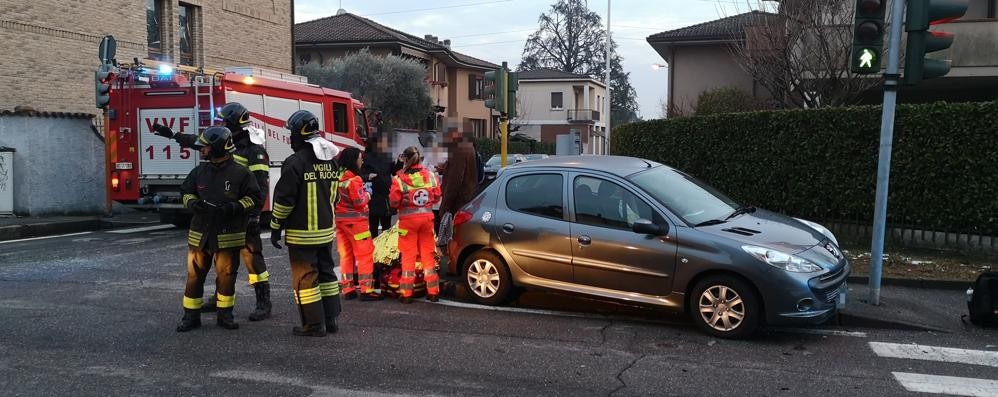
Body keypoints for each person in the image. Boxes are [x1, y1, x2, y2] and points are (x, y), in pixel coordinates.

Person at [153, 102, 272, 321]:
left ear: (234, 123)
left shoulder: (254, 151)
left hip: (242, 215)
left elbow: (261, 185)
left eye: (226, 120)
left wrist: (254, 214)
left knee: (252, 258)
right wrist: (172, 135)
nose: (222, 123)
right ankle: (220, 297)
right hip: (220, 218)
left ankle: (263, 301)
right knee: (222, 260)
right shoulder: (222, 142)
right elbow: (200, 142)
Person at [175, 126, 261, 332]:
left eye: (205, 147)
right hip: (200, 234)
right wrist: (192, 203)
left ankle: (225, 316)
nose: (202, 150)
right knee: (194, 276)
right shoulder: (199, 171)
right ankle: (190, 317)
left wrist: (234, 207)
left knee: (226, 276)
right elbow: (185, 192)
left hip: (228, 234)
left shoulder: (241, 173)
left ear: (217, 148)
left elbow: (254, 198)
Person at [269, 110, 342, 337]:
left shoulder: (295, 162)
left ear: (300, 134)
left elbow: (284, 200)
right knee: (327, 274)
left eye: (292, 133)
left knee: (305, 278)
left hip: (302, 234)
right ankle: (330, 320)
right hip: (325, 232)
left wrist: (275, 225)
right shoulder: (330, 162)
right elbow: (335, 197)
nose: (290, 138)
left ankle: (313, 325)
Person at [389, 146, 442, 304]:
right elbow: (437, 196)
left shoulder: (399, 179)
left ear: (405, 159)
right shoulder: (431, 176)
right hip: (426, 220)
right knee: (428, 256)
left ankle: (406, 293)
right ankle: (433, 291)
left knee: (408, 257)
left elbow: (393, 202)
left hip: (408, 223)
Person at [335, 147, 382, 301]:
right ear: (353, 160)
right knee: (365, 255)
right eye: (360, 158)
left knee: (346, 255)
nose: (362, 161)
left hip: (341, 222)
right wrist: (368, 193)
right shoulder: (354, 180)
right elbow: (359, 202)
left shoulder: (337, 177)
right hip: (356, 223)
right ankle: (366, 289)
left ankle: (347, 288)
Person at [435, 131, 479, 248]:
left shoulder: (458, 150)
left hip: (458, 202)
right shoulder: (467, 147)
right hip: (467, 197)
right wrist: (445, 168)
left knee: (454, 238)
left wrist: (445, 205)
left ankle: (453, 260)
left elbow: (455, 180)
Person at [361, 135, 397, 238]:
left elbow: (394, 172)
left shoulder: (387, 157)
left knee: (386, 227)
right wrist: (368, 176)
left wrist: (399, 163)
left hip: (385, 196)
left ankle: (384, 250)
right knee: (374, 226)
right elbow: (360, 174)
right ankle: (374, 249)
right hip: (374, 196)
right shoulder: (366, 158)